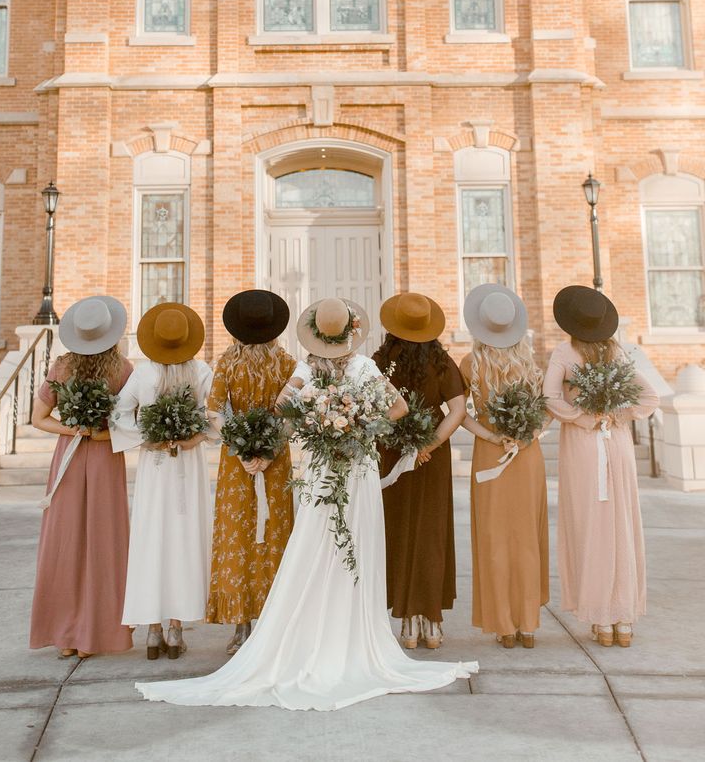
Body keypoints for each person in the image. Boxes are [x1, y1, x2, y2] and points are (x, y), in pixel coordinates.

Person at [135, 297, 478, 711]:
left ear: (315, 335)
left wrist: (316, 426)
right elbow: (399, 408)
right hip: (357, 467)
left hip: (320, 468)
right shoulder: (366, 369)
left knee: (316, 545)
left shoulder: (304, 368)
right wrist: (360, 426)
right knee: (355, 548)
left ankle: (306, 629)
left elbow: (283, 408)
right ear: (352, 333)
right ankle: (350, 633)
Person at [545, 286, 658, 648]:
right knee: (620, 525)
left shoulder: (564, 352)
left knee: (590, 525)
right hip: (617, 442)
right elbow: (650, 397)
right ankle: (622, 620)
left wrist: (583, 417)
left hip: (583, 446)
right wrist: (617, 415)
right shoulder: (617, 351)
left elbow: (548, 397)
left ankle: (601, 619)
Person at [30, 296, 133, 658]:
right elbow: (130, 424)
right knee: (104, 542)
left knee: (66, 540)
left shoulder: (61, 367)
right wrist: (100, 434)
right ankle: (97, 632)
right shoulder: (123, 369)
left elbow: (38, 418)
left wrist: (73, 430)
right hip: (104, 457)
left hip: (69, 456)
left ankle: (65, 635)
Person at [110, 303, 213, 660]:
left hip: (155, 466)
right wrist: (194, 439)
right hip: (187, 464)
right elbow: (215, 415)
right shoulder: (200, 370)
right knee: (182, 541)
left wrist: (145, 438)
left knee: (152, 540)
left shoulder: (144, 373)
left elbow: (119, 411)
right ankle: (174, 628)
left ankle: (153, 633)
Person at [373, 292, 466, 650]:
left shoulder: (381, 360)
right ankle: (431, 621)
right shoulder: (442, 360)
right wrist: (429, 445)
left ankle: (408, 622)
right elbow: (457, 410)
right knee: (430, 530)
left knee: (398, 528)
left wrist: (402, 441)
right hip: (432, 455)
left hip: (392, 451)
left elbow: (373, 406)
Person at [207, 289, 296, 655]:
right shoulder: (288, 363)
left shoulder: (227, 363)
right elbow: (293, 415)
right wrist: (271, 450)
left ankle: (241, 628)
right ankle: (272, 625)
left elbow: (213, 413)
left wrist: (240, 449)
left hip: (236, 464)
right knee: (274, 536)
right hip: (276, 464)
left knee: (238, 538)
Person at [460, 284, 549, 649]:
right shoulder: (530, 363)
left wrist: (493, 437)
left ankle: (504, 627)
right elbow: (547, 413)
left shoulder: (469, 363)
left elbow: (459, 416)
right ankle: (527, 625)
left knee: (495, 538)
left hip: (490, 453)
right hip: (526, 457)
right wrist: (527, 438)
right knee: (527, 536)